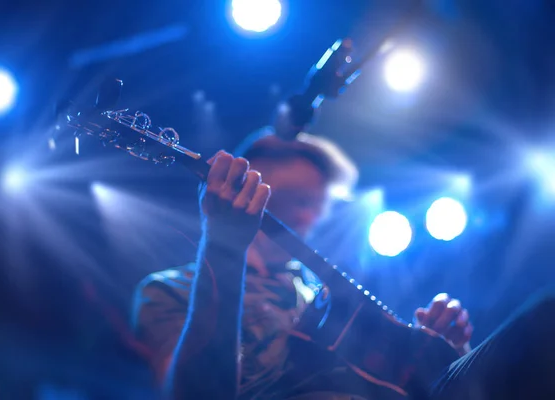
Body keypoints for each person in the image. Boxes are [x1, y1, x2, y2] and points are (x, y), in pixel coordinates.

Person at [132, 128, 478, 399]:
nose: (310, 216)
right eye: (298, 200)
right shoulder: (169, 289)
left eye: (318, 206)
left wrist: (438, 354)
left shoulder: (320, 295)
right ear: (254, 187)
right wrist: (223, 249)